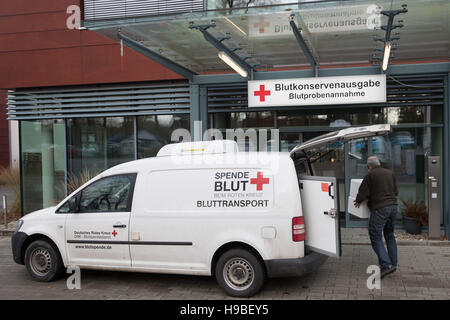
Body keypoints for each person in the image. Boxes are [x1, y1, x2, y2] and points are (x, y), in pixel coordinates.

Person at [354, 156, 398, 279]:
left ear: (369, 167)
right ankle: (393, 264)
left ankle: (387, 265)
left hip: (380, 209)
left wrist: (358, 201)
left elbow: (363, 192)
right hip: (393, 207)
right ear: (379, 163)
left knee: (375, 236)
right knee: (389, 235)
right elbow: (396, 192)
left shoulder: (370, 175)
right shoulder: (390, 173)